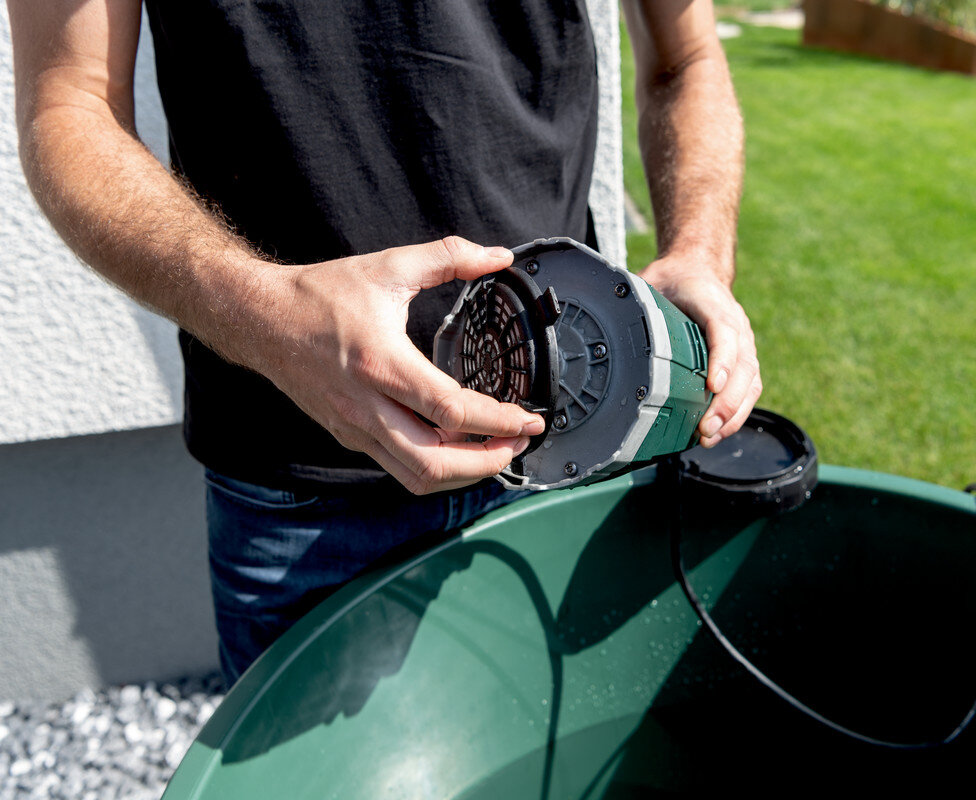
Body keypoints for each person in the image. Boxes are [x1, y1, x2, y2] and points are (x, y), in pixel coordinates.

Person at [8, 0, 761, 683]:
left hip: (571, 448)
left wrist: (698, 252)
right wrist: (265, 315)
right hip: (302, 496)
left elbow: (686, 56)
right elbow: (70, 102)